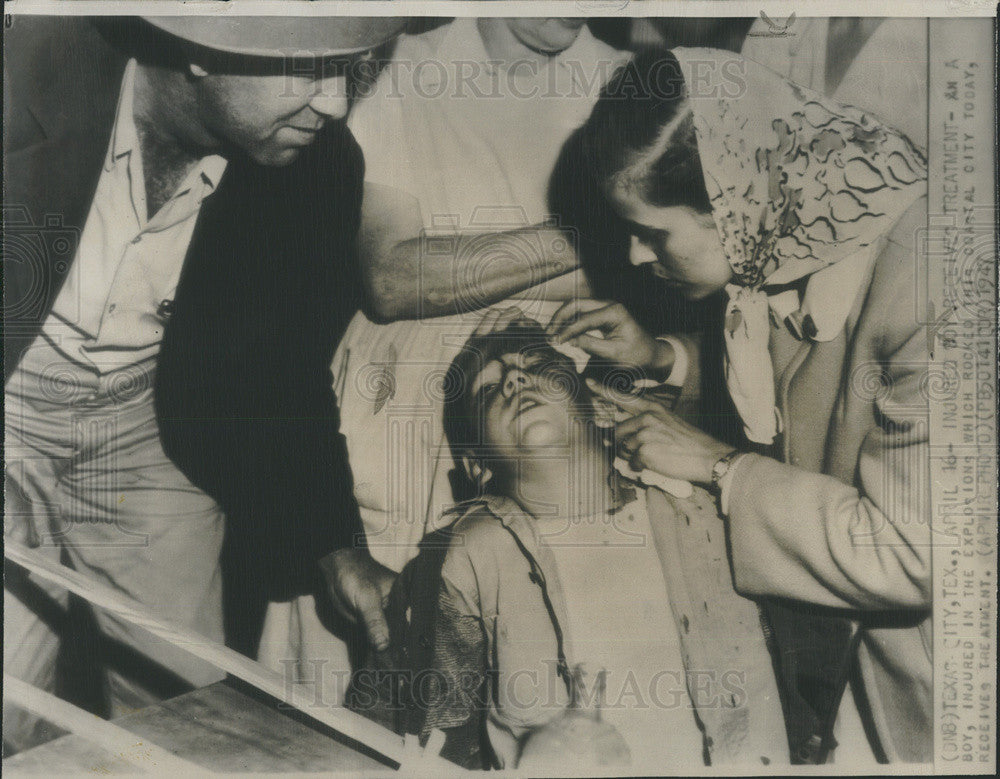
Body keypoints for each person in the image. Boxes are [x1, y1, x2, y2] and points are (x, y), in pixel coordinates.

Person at [3, 14, 405, 751]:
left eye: (352, 70)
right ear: (199, 45)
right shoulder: (20, 77)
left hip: (152, 416)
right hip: (10, 396)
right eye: (310, 68)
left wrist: (332, 542)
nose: (338, 103)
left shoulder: (318, 165)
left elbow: (282, 367)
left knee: (184, 706)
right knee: (11, 704)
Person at [258, 17, 658, 702]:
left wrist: (460, 260)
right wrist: (594, 237)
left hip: (555, 408)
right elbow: (392, 279)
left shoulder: (632, 78)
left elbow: (662, 267)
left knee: (546, 671)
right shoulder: (404, 65)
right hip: (396, 407)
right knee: (358, 674)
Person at [556, 49, 930, 763]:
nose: (635, 257)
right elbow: (813, 392)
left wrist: (721, 467)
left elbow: (915, 553)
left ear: (728, 199)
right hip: (862, 674)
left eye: (653, 232)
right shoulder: (798, 223)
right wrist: (665, 359)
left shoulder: (931, 289)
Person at [358, 314, 786, 770]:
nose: (515, 379)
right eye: (487, 390)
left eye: (538, 365)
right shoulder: (464, 556)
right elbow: (416, 728)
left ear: (601, 408)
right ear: (475, 465)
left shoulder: (702, 508)